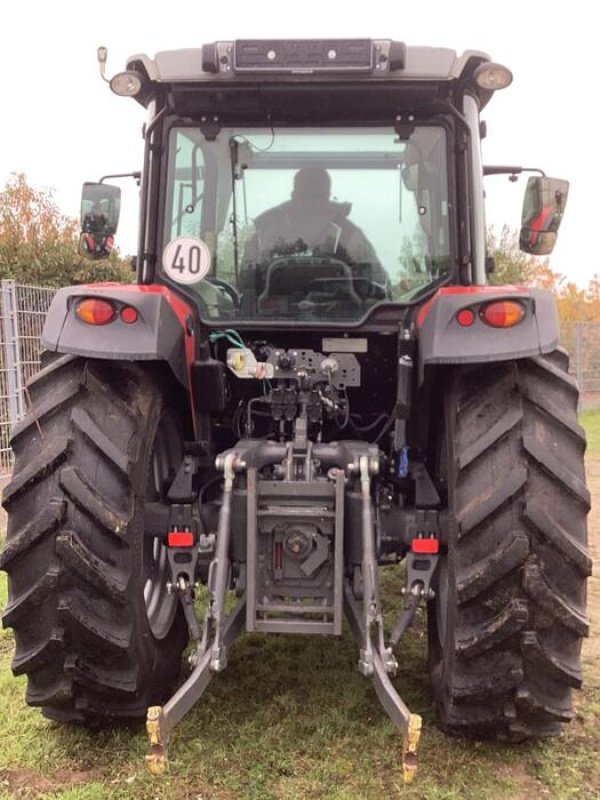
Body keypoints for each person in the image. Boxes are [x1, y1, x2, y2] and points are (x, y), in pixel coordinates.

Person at [243, 167, 388, 288]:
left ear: (294, 193)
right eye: (307, 196)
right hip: (342, 320)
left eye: (314, 197)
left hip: (342, 319)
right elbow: (379, 285)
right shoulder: (349, 233)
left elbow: (245, 283)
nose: (310, 206)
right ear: (328, 195)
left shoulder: (265, 230)